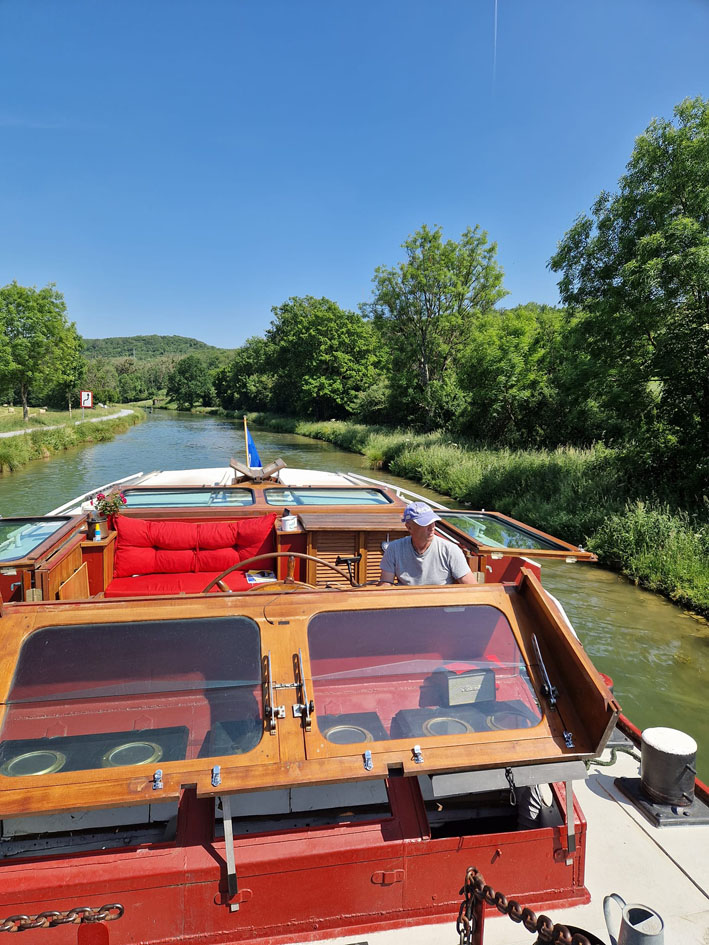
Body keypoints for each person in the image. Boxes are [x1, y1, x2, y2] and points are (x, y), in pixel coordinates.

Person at [378, 501, 477, 586]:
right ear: (409, 527)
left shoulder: (451, 550)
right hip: (407, 604)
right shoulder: (394, 549)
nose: (432, 527)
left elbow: (472, 588)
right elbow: (386, 585)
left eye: (433, 522)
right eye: (425, 523)